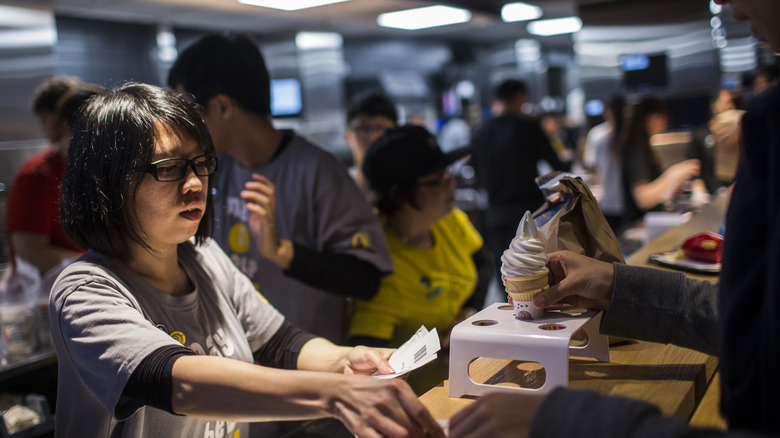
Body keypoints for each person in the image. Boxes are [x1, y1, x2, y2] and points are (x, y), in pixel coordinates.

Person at [449, 1, 780, 435]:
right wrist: (614, 285)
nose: (734, 9)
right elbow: (756, 325)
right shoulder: (767, 118)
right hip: (525, 215)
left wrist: (567, 420)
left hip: (502, 219)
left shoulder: (482, 131)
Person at [50, 82, 444, 438]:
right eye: (168, 168)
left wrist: (348, 360)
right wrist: (336, 393)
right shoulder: (85, 291)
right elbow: (178, 382)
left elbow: (280, 343)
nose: (194, 183)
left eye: (200, 163)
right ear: (107, 182)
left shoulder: (204, 257)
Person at [167, 33, 393, 343]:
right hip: (241, 358)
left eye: (190, 108)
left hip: (309, 363)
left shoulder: (317, 170)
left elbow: (366, 278)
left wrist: (282, 252)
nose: (185, 123)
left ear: (222, 106)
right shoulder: (216, 166)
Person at [347, 125, 492, 393]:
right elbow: (368, 355)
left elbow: (482, 264)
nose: (451, 183)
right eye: (437, 180)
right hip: (421, 389)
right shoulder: (379, 264)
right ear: (398, 193)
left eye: (447, 173)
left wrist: (468, 312)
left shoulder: (448, 220)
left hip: (464, 369)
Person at [470, 79, 568, 287]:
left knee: (506, 275)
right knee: (537, 272)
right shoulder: (527, 127)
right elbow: (555, 165)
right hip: (529, 213)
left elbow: (476, 175)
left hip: (495, 213)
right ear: (520, 97)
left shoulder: (480, 132)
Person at [5, 77, 98, 276]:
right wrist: (103, 269)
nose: (49, 129)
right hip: (46, 290)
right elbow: (30, 252)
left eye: (48, 119)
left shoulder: (94, 171)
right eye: (44, 120)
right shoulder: (36, 176)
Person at [618, 97, 704, 226]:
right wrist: (672, 174)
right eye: (663, 118)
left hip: (648, 221)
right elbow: (643, 199)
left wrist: (673, 183)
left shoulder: (643, 146)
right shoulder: (635, 149)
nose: (665, 124)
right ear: (653, 118)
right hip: (638, 225)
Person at [343, 91, 398, 197]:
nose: (372, 137)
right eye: (363, 130)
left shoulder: (409, 188)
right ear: (347, 137)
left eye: (381, 129)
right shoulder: (337, 190)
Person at [588, 95, 626, 231]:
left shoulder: (600, 138)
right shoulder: (600, 137)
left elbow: (595, 169)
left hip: (609, 200)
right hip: (624, 201)